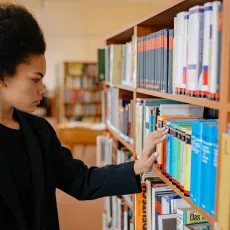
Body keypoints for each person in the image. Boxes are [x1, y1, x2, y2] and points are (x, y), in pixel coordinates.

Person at [0, 3, 168, 230]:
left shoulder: (40, 131)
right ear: (3, 76)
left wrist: (137, 166)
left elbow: (80, 181)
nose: (43, 89)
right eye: (35, 79)